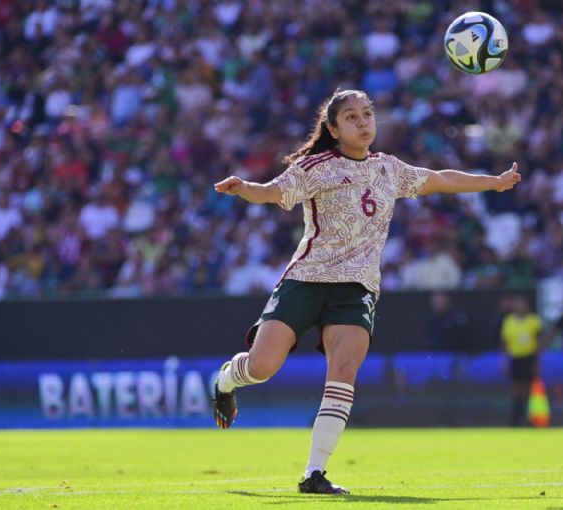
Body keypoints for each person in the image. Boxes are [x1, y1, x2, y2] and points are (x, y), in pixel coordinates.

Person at [211, 88, 522, 495]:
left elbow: (441, 180)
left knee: (343, 374)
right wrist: (245, 187)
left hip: (356, 287)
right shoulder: (315, 166)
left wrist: (494, 183)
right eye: (352, 117)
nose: (363, 122)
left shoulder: (389, 169)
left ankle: (314, 474)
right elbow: (272, 191)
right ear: (334, 129)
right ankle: (225, 381)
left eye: (368, 114)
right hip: (306, 280)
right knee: (263, 367)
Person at [500, 294, 544, 427]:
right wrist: (505, 361)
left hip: (529, 357)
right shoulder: (509, 321)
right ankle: (515, 420)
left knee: (530, 389)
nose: (520, 306)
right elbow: (505, 343)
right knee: (516, 389)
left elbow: (539, 341)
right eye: (517, 303)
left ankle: (532, 420)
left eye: (522, 303)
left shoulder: (534, 320)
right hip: (516, 358)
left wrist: (537, 361)